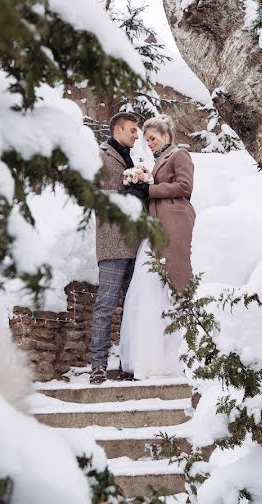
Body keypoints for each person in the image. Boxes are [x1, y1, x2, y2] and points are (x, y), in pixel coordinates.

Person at [118, 115, 195, 380]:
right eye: (146, 139)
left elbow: (185, 186)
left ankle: (174, 353)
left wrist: (150, 188)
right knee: (149, 283)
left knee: (171, 279)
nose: (149, 143)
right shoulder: (159, 159)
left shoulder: (179, 155)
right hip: (157, 225)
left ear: (166, 136)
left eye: (153, 138)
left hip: (174, 222)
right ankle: (153, 355)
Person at [91, 112, 142, 385]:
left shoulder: (132, 159)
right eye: (133, 130)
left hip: (135, 243)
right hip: (111, 243)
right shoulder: (100, 156)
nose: (137, 135)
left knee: (133, 308)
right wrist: (124, 195)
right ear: (118, 129)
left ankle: (128, 365)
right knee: (106, 306)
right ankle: (98, 366)